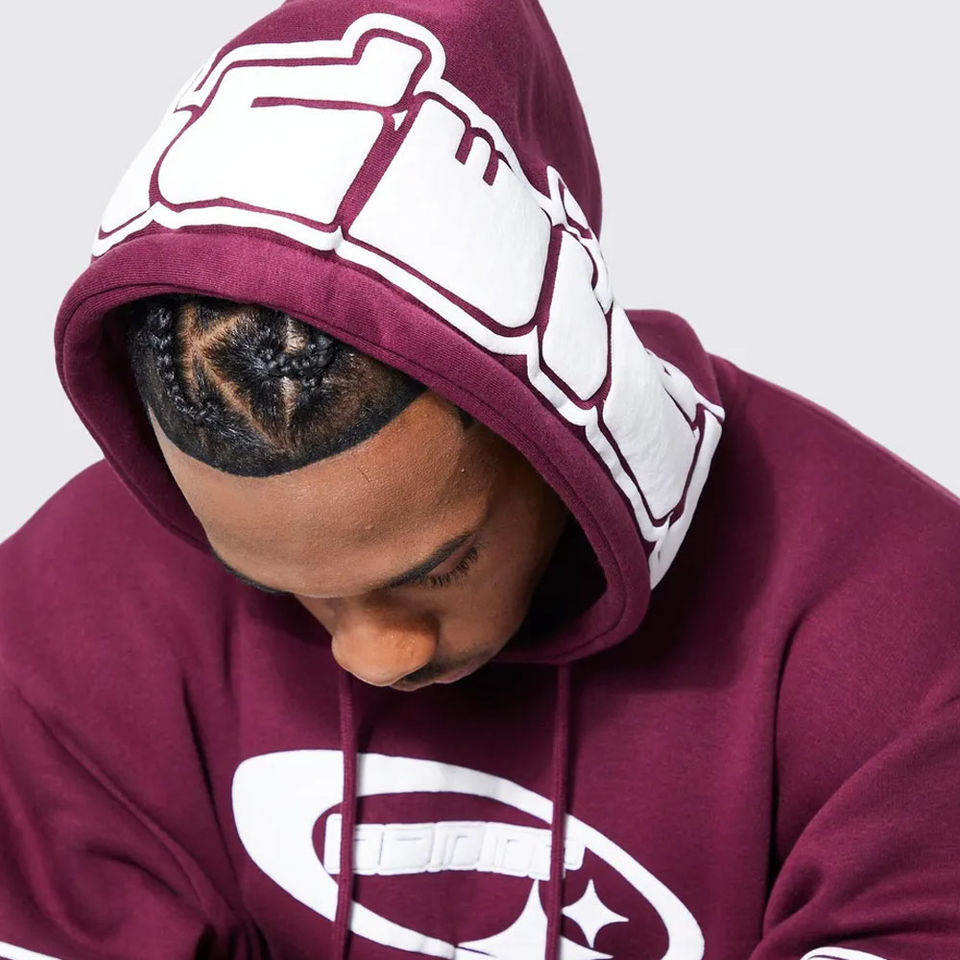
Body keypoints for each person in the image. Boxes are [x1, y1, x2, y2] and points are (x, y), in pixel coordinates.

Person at [1, 1, 957, 958]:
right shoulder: (60, 627)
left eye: (439, 565)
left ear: (560, 421)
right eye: (278, 581)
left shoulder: (902, 630)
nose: (375, 656)